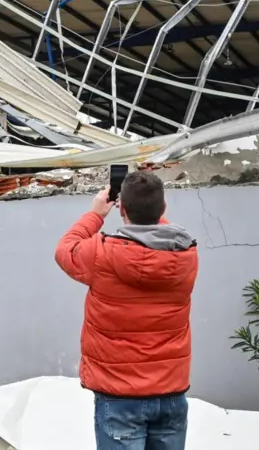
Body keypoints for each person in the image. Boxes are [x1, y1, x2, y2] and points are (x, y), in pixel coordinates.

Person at [55, 170, 199, 450]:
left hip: (119, 396)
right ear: (164, 209)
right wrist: (148, 204)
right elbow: (157, 232)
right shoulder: (186, 255)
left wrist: (96, 214)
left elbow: (65, 248)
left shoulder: (101, 255)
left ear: (121, 208)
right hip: (171, 393)